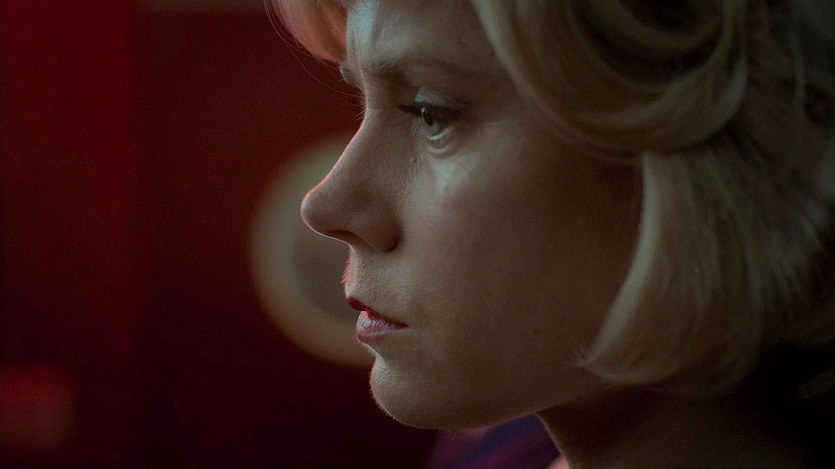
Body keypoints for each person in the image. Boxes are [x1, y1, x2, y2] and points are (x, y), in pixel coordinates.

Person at [268, 0, 835, 467]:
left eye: (430, 112)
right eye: (360, 101)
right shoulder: (494, 451)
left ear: (709, 155)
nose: (324, 206)